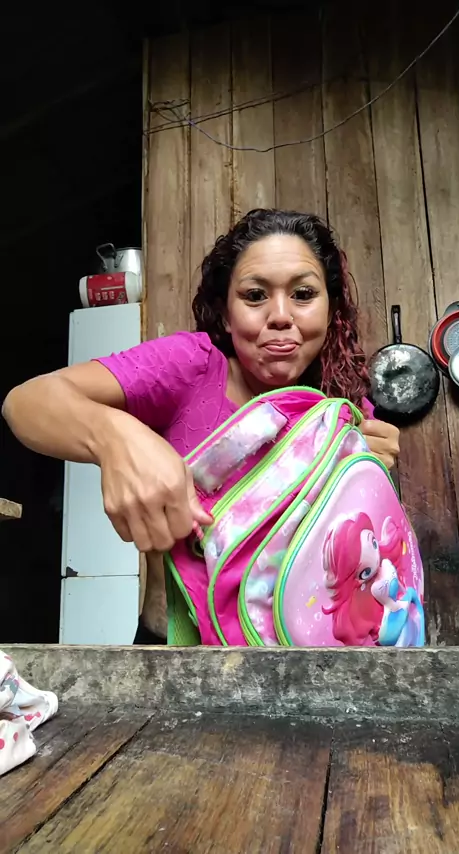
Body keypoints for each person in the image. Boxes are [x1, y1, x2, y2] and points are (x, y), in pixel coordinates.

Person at [2, 208, 400, 644]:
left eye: (303, 294)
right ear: (226, 315)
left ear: (330, 310)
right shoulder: (192, 367)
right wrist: (115, 436)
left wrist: (369, 475)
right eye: (255, 296)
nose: (280, 315)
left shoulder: (343, 409)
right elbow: (25, 402)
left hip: (312, 654)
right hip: (177, 650)